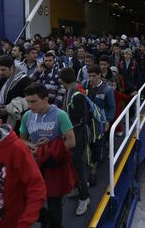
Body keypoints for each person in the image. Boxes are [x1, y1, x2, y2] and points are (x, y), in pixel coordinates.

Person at [20, 83, 76, 228]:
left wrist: (49, 148)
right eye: (28, 101)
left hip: (54, 166)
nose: (30, 105)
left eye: (33, 101)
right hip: (35, 165)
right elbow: (22, 139)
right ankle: (45, 219)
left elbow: (71, 141)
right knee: (30, 199)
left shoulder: (60, 115)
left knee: (54, 201)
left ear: (45, 99)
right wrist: (35, 147)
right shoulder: (27, 116)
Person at [58, 68, 92, 215]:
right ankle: (78, 187)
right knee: (73, 164)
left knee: (78, 165)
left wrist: (64, 128)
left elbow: (80, 119)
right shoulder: (71, 91)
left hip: (77, 135)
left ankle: (84, 197)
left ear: (61, 80)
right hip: (72, 134)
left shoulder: (76, 95)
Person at [83, 64, 115, 186]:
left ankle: (93, 170)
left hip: (99, 123)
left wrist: (108, 120)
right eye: (89, 76)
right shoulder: (84, 85)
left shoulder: (107, 90)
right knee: (85, 143)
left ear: (100, 75)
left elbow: (112, 107)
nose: (91, 78)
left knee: (96, 145)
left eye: (94, 76)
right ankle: (86, 166)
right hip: (85, 121)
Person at [0, 56, 32, 127]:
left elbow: (30, 99)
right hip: (0, 117)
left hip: (17, 121)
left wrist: (9, 109)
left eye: (3, 70)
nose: (0, 72)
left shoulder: (24, 80)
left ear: (12, 67)